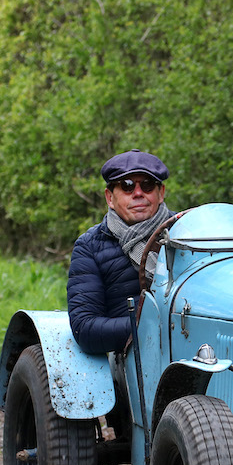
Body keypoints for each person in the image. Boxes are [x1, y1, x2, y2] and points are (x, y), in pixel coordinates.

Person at [67, 150, 175, 354]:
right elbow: (85, 327)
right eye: (127, 186)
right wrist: (152, 324)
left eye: (147, 185)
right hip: (131, 360)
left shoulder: (187, 234)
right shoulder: (90, 246)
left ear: (160, 193)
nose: (138, 193)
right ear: (109, 197)